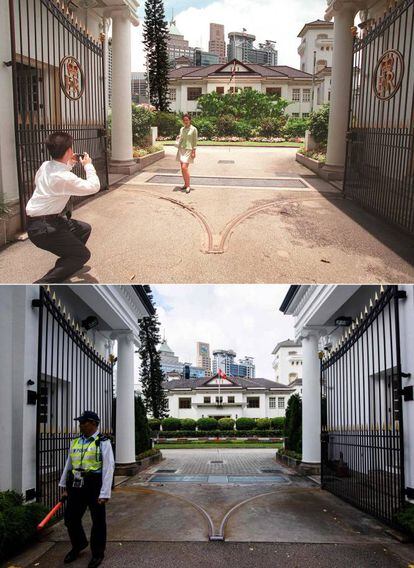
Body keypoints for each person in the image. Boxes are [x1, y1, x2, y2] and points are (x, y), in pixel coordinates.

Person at [25, 131, 101, 283]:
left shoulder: (46, 166)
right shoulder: (64, 177)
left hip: (43, 222)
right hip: (44, 228)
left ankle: (68, 262)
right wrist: (88, 165)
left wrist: (70, 163)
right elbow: (94, 186)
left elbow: (47, 180)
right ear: (68, 151)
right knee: (83, 255)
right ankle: (44, 282)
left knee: (84, 228)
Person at [59, 411, 115, 568]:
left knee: (98, 521)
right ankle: (79, 544)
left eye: (83, 422)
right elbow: (68, 465)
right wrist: (64, 486)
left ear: (93, 423)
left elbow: (109, 468)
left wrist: (105, 493)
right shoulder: (75, 442)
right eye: (80, 422)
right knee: (70, 518)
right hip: (76, 483)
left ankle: (97, 553)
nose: (80, 425)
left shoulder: (103, 442)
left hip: (94, 484)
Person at [176, 114, 198, 194]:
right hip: (181, 149)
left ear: (190, 120)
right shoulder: (181, 129)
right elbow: (181, 138)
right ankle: (185, 184)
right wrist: (178, 138)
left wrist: (194, 151)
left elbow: (195, 141)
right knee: (182, 168)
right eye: (184, 120)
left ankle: (188, 186)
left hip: (189, 150)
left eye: (187, 120)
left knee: (184, 167)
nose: (185, 121)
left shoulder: (194, 129)